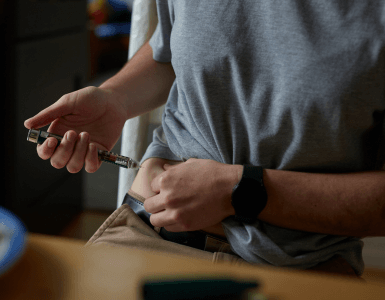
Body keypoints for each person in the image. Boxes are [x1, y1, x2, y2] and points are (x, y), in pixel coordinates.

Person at [24, 0, 385, 278]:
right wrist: (116, 99)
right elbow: (169, 50)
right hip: (145, 234)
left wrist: (239, 191)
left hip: (300, 268)